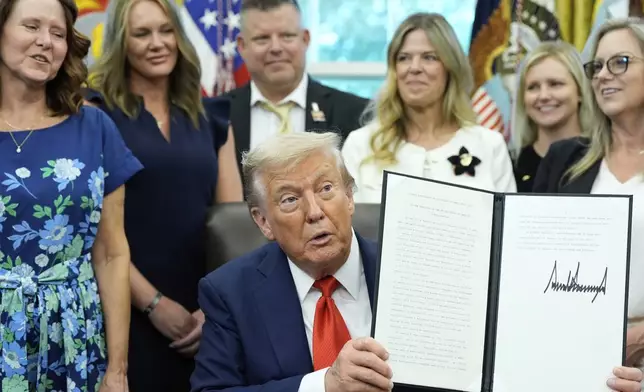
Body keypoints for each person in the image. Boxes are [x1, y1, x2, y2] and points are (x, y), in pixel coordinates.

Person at [190, 131, 643, 392]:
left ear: (351, 196)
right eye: (290, 199)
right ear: (263, 222)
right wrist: (322, 386)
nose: (314, 211)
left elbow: (489, 372)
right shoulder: (229, 291)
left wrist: (592, 378)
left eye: (326, 189)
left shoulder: (422, 268)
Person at [85, 0, 243, 390]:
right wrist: (153, 304)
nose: (157, 43)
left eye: (165, 30)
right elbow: (95, 232)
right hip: (124, 311)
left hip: (207, 318)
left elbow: (234, 228)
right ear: (122, 42)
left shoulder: (213, 118)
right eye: (142, 33)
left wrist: (215, 309)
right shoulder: (95, 114)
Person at [0, 0, 142, 390]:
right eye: (31, 27)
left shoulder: (94, 126)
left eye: (58, 33)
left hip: (74, 337)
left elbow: (112, 253)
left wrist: (117, 369)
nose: (45, 42)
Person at [533, 17, 644, 369]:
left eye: (620, 62)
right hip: (570, 349)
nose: (603, 75)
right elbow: (530, 262)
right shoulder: (564, 158)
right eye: (596, 66)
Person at [341, 13, 516, 203]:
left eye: (429, 57)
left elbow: (507, 229)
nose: (414, 68)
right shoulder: (361, 145)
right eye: (404, 58)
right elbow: (345, 227)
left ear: (450, 68)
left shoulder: (489, 146)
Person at [225, 0, 369, 170]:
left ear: (305, 39)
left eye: (287, 36)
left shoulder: (356, 114)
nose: (276, 48)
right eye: (262, 38)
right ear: (242, 46)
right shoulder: (215, 115)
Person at [511, 41, 595, 192]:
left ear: (580, 92)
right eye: (533, 87)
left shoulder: (602, 159)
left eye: (555, 84)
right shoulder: (509, 165)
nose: (543, 96)